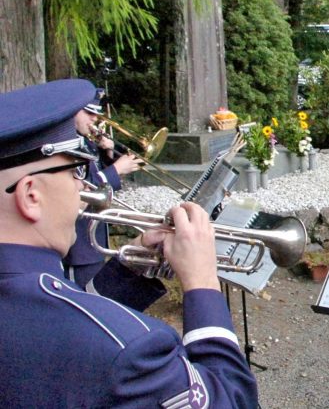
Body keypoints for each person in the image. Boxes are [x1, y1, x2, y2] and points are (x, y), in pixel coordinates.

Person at [0, 79, 259, 407]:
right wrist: (203, 283)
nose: (86, 190)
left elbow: (53, 316)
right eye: (76, 172)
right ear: (30, 195)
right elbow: (233, 400)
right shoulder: (130, 350)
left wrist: (127, 269)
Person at [66, 91, 142, 287]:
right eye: (88, 113)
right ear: (73, 112)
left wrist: (107, 154)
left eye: (96, 114)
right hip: (78, 246)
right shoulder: (68, 146)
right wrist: (116, 170)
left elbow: (96, 179)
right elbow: (80, 189)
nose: (95, 119)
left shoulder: (87, 143)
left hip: (93, 240)